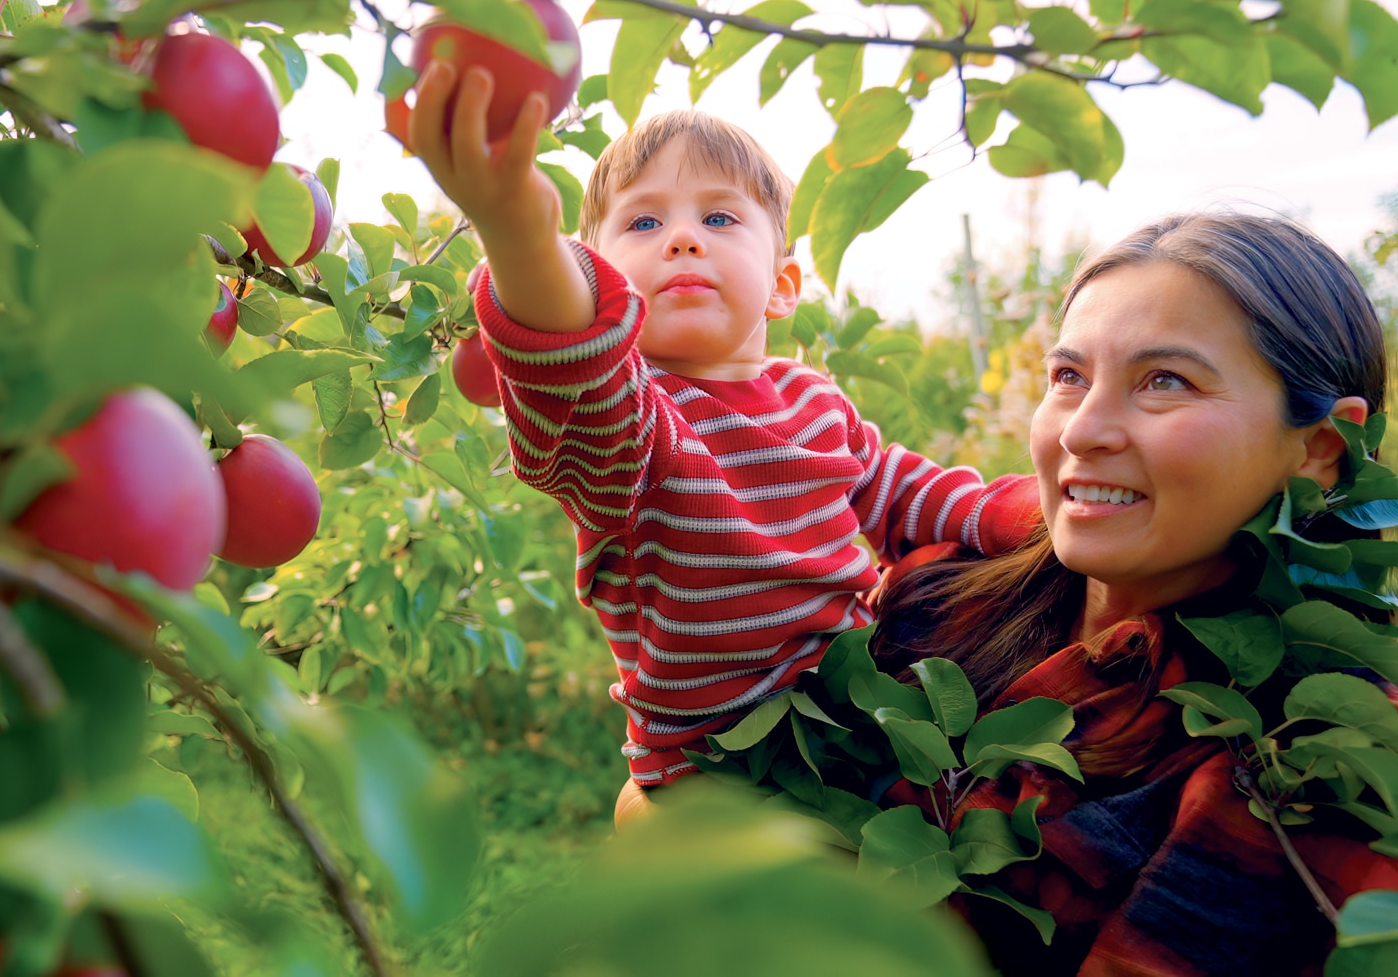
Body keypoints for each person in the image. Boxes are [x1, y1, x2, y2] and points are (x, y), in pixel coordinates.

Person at [401, 62, 1038, 792]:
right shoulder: (639, 423)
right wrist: (514, 227)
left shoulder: (813, 400)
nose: (681, 239)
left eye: (719, 217)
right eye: (643, 222)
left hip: (855, 717)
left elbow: (903, 490)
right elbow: (572, 368)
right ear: (600, 283)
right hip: (718, 775)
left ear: (783, 285)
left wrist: (1020, 514)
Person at [869, 211, 1398, 976]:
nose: (1083, 430)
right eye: (1068, 376)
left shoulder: (1320, 762)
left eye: (1164, 381)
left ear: (1319, 450)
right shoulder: (933, 600)